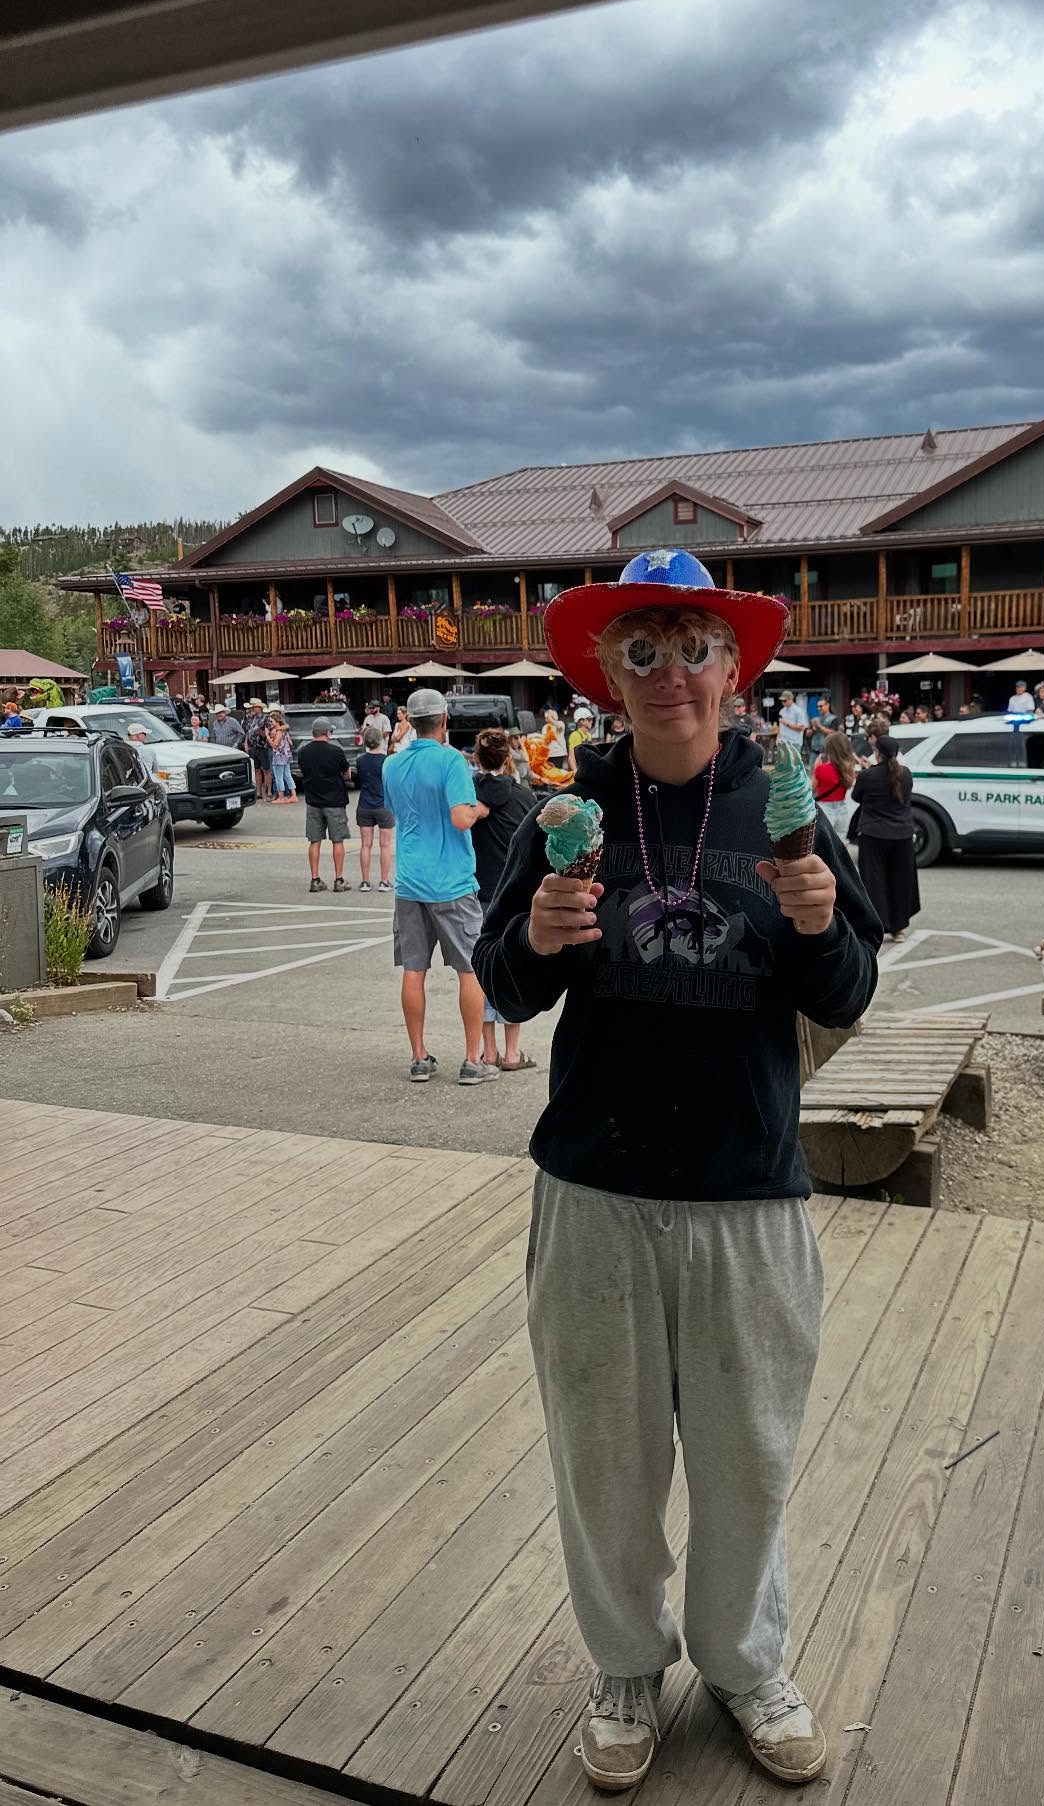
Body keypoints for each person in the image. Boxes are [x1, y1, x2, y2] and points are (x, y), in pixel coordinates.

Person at [474, 548, 880, 1793]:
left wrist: (819, 924)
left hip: (748, 1192)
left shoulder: (782, 807)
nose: (670, 674)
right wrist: (536, 937)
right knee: (605, 1457)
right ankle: (624, 1663)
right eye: (641, 651)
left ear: (733, 667)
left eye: (693, 647)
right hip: (594, 1191)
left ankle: (747, 1663)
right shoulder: (567, 813)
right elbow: (504, 985)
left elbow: (847, 993)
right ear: (607, 673)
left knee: (748, 1455)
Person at [383, 688, 497, 1086]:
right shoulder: (451, 761)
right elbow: (461, 818)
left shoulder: (392, 764)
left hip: (409, 881)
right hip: (451, 881)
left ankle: (418, 1057)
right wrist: (479, 809)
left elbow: (398, 811)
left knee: (414, 970)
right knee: (470, 970)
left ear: (411, 722)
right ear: (444, 720)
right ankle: (472, 1059)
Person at [469, 728, 537, 1071]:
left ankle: (489, 1050)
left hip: (477, 888)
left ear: (477, 758)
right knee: (511, 966)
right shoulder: (523, 796)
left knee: (481, 968)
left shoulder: (468, 796)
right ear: (508, 757)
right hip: (513, 891)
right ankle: (512, 1051)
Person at [852, 732, 920, 941]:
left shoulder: (868, 775)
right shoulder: (905, 774)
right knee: (901, 880)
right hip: (902, 833)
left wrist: (868, 770)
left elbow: (856, 796)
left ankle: (878, 925)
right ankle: (899, 928)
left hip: (873, 833)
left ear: (877, 753)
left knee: (874, 881)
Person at [297, 716, 351, 892]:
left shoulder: (303, 752)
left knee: (314, 840)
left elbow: (303, 772)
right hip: (335, 801)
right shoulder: (336, 751)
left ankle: (315, 879)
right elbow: (347, 773)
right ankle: (339, 879)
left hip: (313, 801)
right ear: (327, 733)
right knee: (338, 840)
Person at [353, 727, 396, 892]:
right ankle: (384, 881)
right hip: (383, 805)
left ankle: (365, 881)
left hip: (364, 804)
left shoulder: (360, 760)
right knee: (385, 845)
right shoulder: (387, 761)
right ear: (381, 740)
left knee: (365, 845)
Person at [813, 730, 856, 811]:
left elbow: (811, 791)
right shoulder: (848, 769)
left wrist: (816, 769)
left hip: (824, 810)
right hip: (842, 810)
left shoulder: (821, 769)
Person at [244, 700, 273, 800]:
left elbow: (269, 734)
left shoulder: (266, 719)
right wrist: (246, 743)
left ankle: (269, 792)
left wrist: (260, 732)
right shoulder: (250, 718)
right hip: (253, 747)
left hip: (262, 747)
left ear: (259, 708)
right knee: (256, 770)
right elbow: (248, 732)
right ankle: (258, 792)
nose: (252, 709)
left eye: (254, 707)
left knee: (266, 770)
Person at [1005, 679, 1035, 768]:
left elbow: (1030, 710)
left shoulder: (1028, 697)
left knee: (1023, 744)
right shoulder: (1012, 698)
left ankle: (1023, 763)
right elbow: (1010, 711)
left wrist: (1023, 716)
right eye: (1017, 687)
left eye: (1020, 687)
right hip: (1014, 724)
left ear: (1024, 688)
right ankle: (1013, 762)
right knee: (1013, 744)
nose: (1018, 689)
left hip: (1025, 724)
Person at [268, 713, 296, 801]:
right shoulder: (284, 731)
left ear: (277, 721)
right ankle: (293, 795)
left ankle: (281, 797)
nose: (270, 723)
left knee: (278, 777)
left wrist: (268, 738)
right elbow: (291, 743)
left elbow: (275, 745)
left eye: (272, 721)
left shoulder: (278, 732)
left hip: (278, 757)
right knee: (288, 775)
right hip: (286, 756)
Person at [805, 695, 839, 765]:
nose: (818, 708)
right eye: (817, 706)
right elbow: (807, 734)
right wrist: (812, 729)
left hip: (827, 752)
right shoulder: (816, 719)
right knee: (813, 771)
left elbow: (834, 734)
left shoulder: (833, 719)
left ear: (827, 705)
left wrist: (819, 726)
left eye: (821, 706)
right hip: (814, 751)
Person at [776, 689, 808, 753]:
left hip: (794, 742)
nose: (783, 703)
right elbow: (780, 726)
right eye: (782, 701)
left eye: (784, 701)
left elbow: (802, 728)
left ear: (791, 699)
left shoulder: (798, 711)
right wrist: (777, 738)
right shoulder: (782, 711)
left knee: (794, 760)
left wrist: (787, 724)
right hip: (783, 741)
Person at [567, 704, 597, 771]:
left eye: (592, 719)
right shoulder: (575, 735)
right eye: (589, 719)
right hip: (579, 770)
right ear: (581, 721)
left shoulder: (588, 735)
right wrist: (575, 772)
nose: (591, 721)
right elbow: (571, 757)